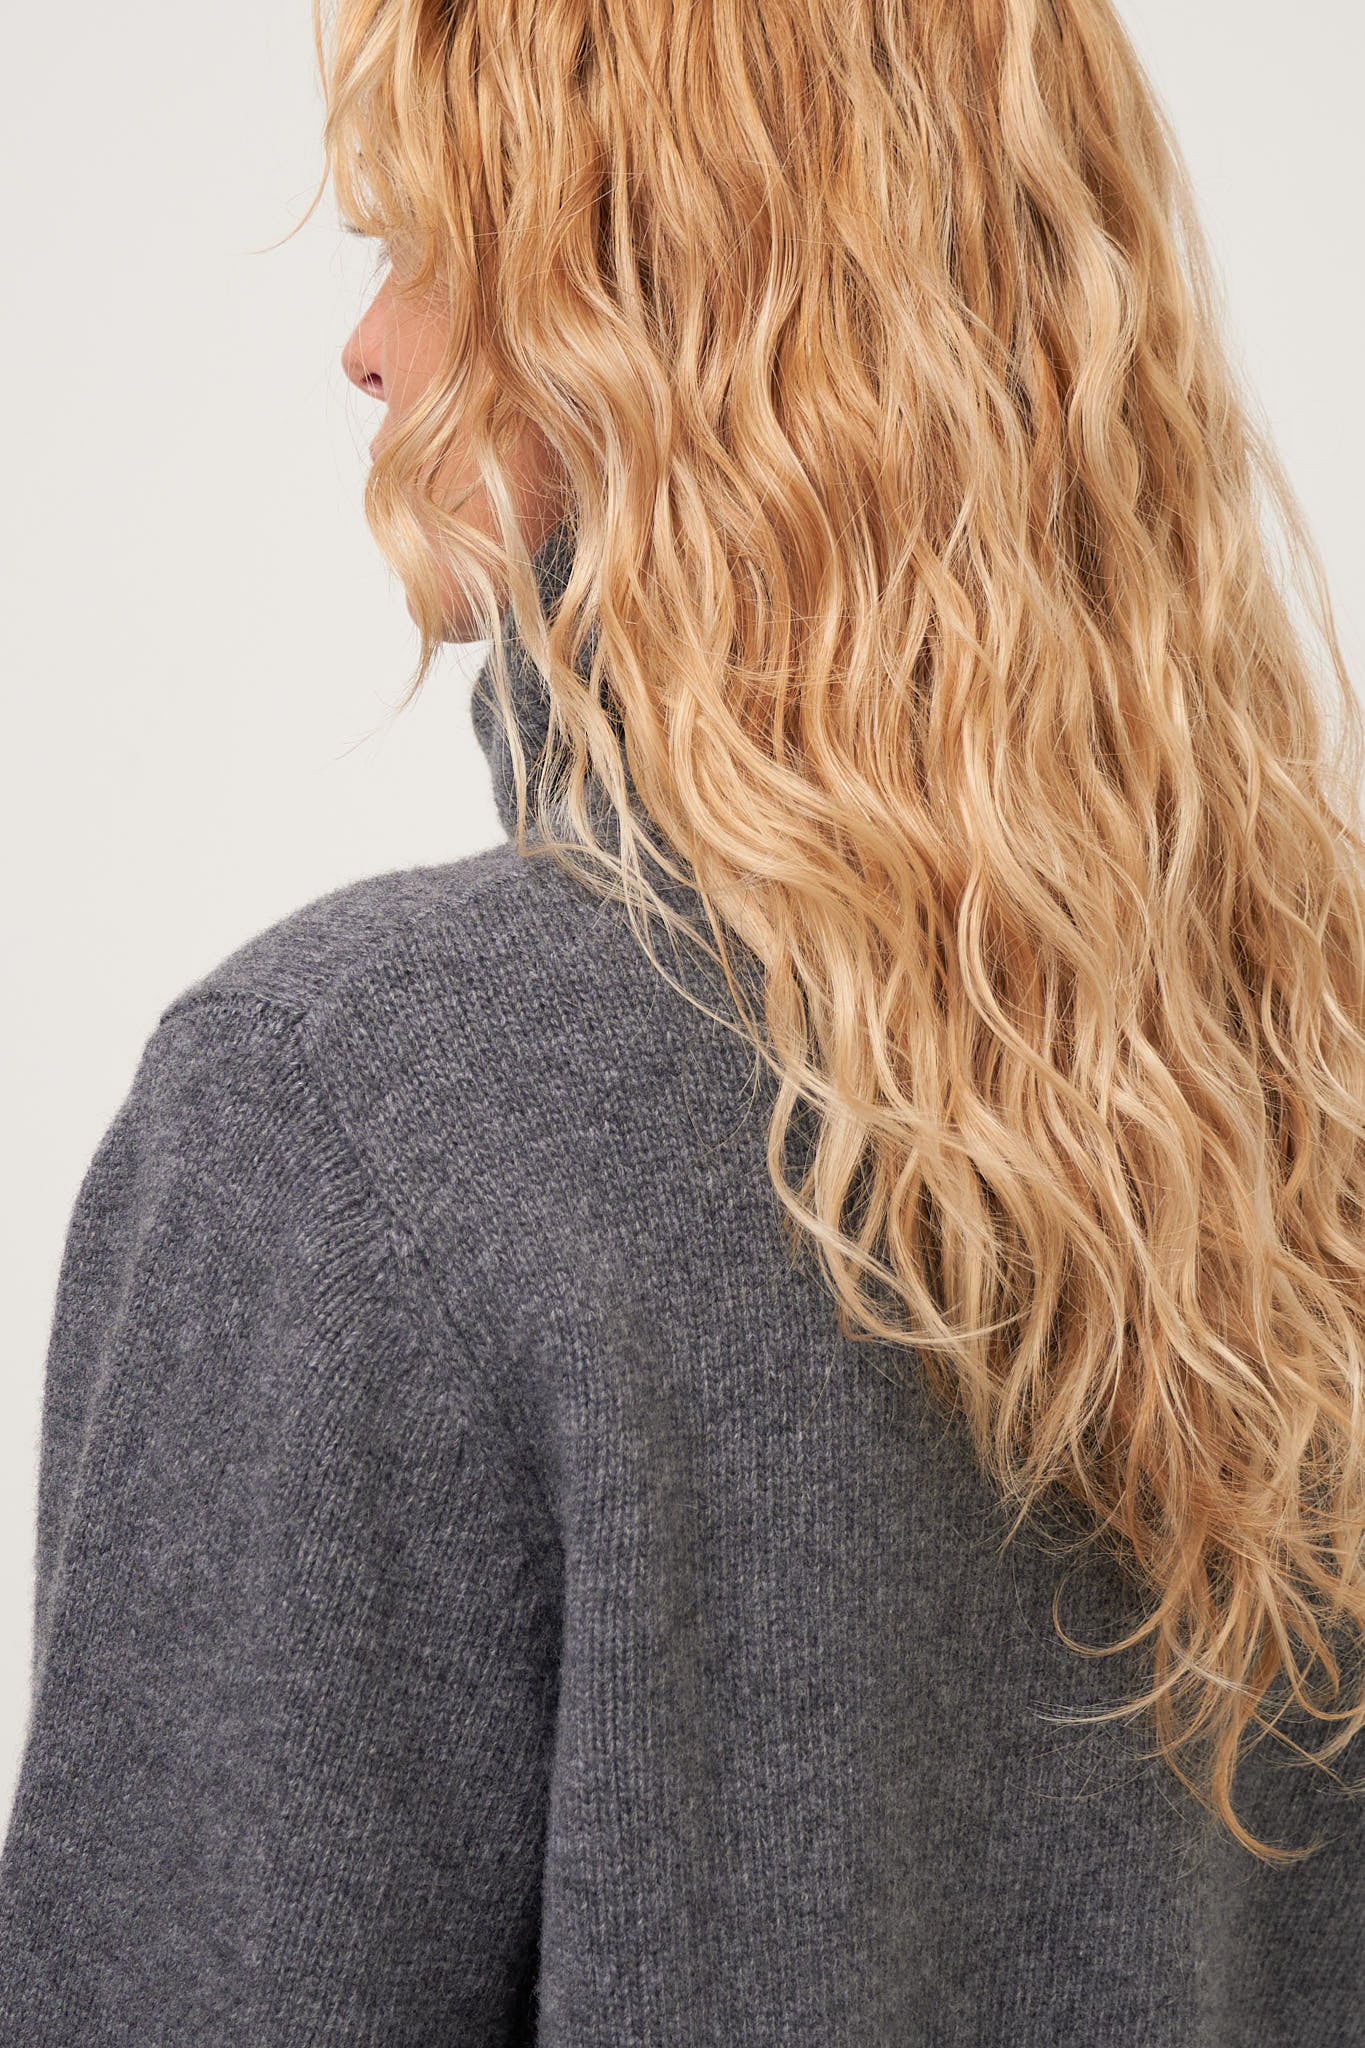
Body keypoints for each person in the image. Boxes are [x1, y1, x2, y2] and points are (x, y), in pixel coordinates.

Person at [2, 0, 1363, 2039]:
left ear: (638, 303)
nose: (366, 347)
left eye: (421, 247)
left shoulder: (355, 1117)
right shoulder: (1290, 1110)